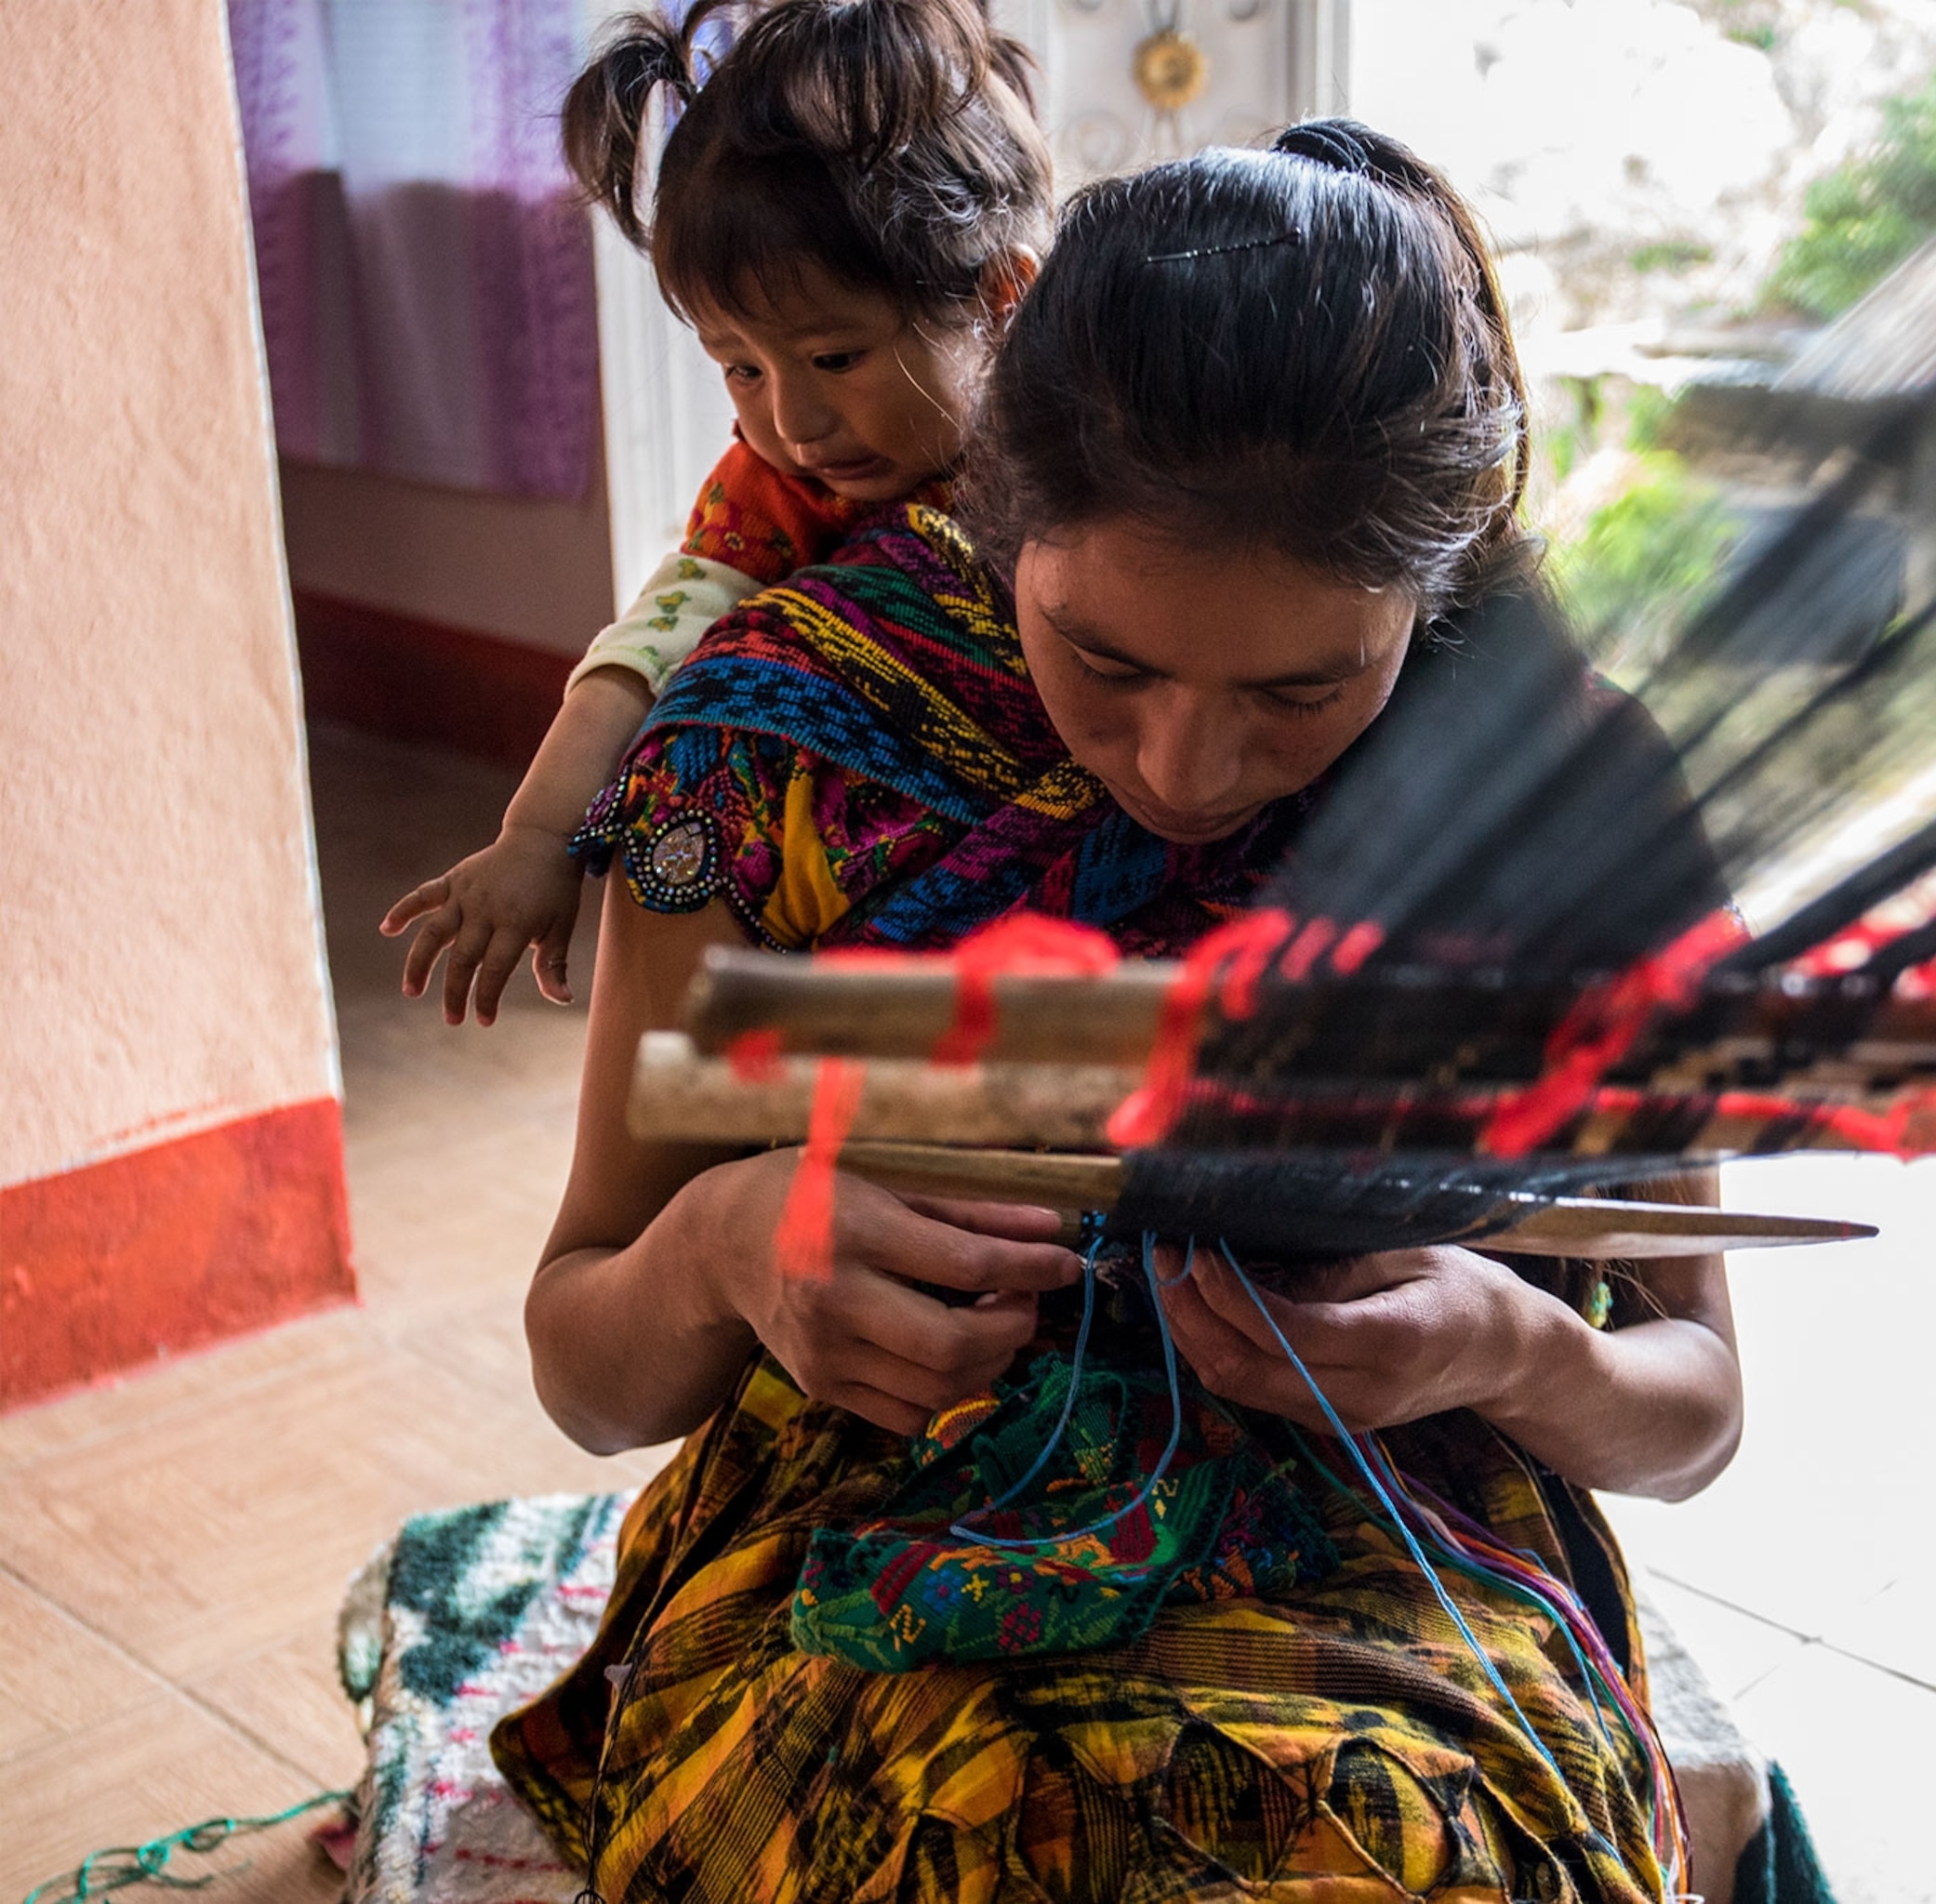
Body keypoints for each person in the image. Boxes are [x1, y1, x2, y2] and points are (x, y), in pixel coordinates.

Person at [495, 122, 1745, 1904]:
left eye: (1306, 687)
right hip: (877, 1544)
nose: (1185, 766)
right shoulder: (751, 749)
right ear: (1001, 509)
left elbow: (1691, 1404)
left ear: (1433, 583)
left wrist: (1507, 1347)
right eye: (1106, 658)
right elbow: (580, 1357)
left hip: (1399, 1547)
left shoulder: (1557, 783)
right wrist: (717, 1244)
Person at [378, 0, 1050, 1025]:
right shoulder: (776, 491)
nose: (793, 416)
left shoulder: (1093, 426)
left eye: (835, 357)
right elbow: (643, 654)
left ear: (1002, 298)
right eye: (739, 366)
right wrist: (533, 836)